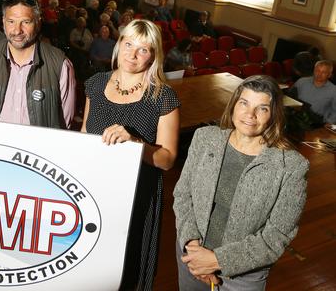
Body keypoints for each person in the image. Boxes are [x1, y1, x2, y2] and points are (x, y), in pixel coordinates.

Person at [173, 75, 309, 290]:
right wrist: (191, 245)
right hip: (191, 257)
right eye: (244, 103)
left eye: (262, 108)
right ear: (233, 104)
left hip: (243, 276)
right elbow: (183, 195)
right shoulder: (205, 138)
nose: (250, 114)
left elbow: (277, 235)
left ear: (273, 115)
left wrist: (217, 260)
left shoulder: (291, 166)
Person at [82, 19, 180, 290]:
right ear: (119, 43)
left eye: (143, 49)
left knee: (127, 270)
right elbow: (83, 137)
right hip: (93, 192)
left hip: (137, 196)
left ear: (154, 56)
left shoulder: (163, 97)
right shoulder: (95, 84)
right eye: (128, 44)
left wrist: (136, 143)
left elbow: (168, 159)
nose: (132, 54)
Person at [0, 0, 76, 129]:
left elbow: (64, 123)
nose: (17, 30)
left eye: (26, 22)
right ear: (3, 22)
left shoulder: (61, 65)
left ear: (38, 23)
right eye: (11, 22)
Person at [291, 60, 336, 126]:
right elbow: (290, 97)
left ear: (329, 75)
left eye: (324, 72)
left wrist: (329, 122)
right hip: (296, 118)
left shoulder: (333, 90)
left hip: (317, 123)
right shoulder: (301, 82)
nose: (319, 74)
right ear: (313, 71)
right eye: (317, 70)